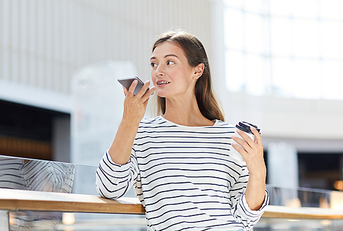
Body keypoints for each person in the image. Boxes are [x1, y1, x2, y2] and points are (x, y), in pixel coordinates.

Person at [96, 30, 269, 230]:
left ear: (197, 71)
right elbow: (109, 189)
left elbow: (245, 218)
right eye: (154, 64)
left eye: (170, 62)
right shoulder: (140, 133)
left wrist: (258, 172)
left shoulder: (230, 137)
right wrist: (128, 121)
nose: (158, 71)